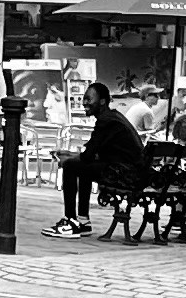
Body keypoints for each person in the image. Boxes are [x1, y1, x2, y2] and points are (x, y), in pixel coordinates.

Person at [60, 78, 150, 233]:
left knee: (70, 166)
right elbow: (94, 153)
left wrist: (68, 158)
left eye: (89, 99)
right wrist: (74, 155)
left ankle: (70, 220)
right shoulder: (113, 117)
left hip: (125, 175)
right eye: (84, 99)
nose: (84, 103)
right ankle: (82, 220)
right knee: (81, 166)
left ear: (102, 101)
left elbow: (88, 155)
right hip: (132, 172)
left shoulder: (106, 121)